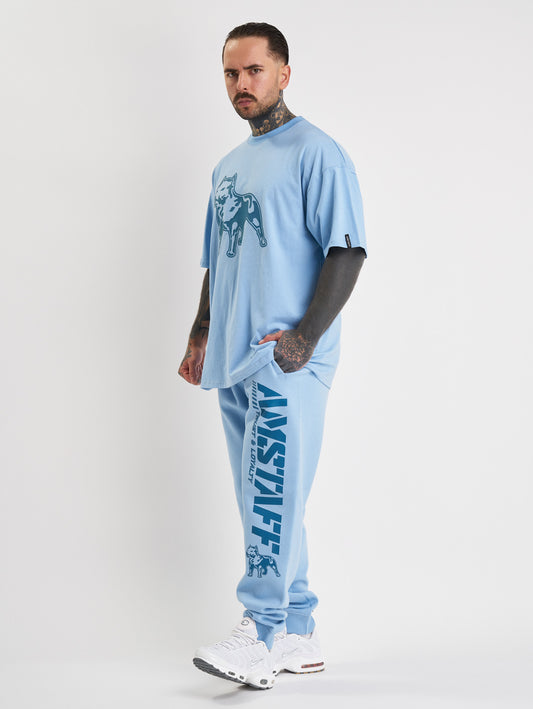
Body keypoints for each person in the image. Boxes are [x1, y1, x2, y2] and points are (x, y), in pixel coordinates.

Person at [178, 22, 367, 690]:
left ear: (283, 73)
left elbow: (347, 249)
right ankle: (296, 628)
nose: (242, 84)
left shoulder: (317, 153)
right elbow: (218, 259)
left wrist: (304, 338)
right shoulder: (228, 166)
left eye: (254, 70)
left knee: (269, 494)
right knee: (266, 495)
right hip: (233, 357)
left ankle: (257, 633)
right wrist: (200, 332)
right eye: (231, 74)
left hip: (285, 361)